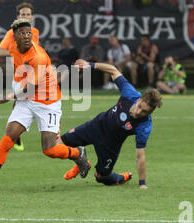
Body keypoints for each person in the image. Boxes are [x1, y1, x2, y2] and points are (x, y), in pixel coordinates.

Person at [0, 19, 90, 195]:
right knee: (7, 138)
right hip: (26, 101)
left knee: (50, 150)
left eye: (29, 33)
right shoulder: (12, 48)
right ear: (15, 37)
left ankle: (77, 154)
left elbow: (32, 87)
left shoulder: (39, 56)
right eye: (22, 33)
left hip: (47, 102)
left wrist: (10, 96)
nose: (27, 36)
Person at [61, 59, 163, 190]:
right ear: (139, 99)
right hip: (96, 126)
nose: (138, 112)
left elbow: (140, 156)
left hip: (110, 146)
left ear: (150, 112)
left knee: (101, 177)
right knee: (60, 143)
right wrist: (90, 65)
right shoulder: (129, 93)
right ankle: (80, 159)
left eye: (144, 112)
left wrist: (142, 183)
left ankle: (122, 177)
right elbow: (113, 70)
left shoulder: (144, 126)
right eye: (139, 107)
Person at [0, 2, 40, 151]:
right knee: (23, 105)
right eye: (22, 14)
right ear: (17, 17)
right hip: (19, 77)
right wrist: (16, 52)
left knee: (25, 105)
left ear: (32, 17)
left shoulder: (35, 32)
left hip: (32, 75)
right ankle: (15, 134)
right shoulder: (11, 33)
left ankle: (16, 133)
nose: (25, 17)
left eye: (28, 14)